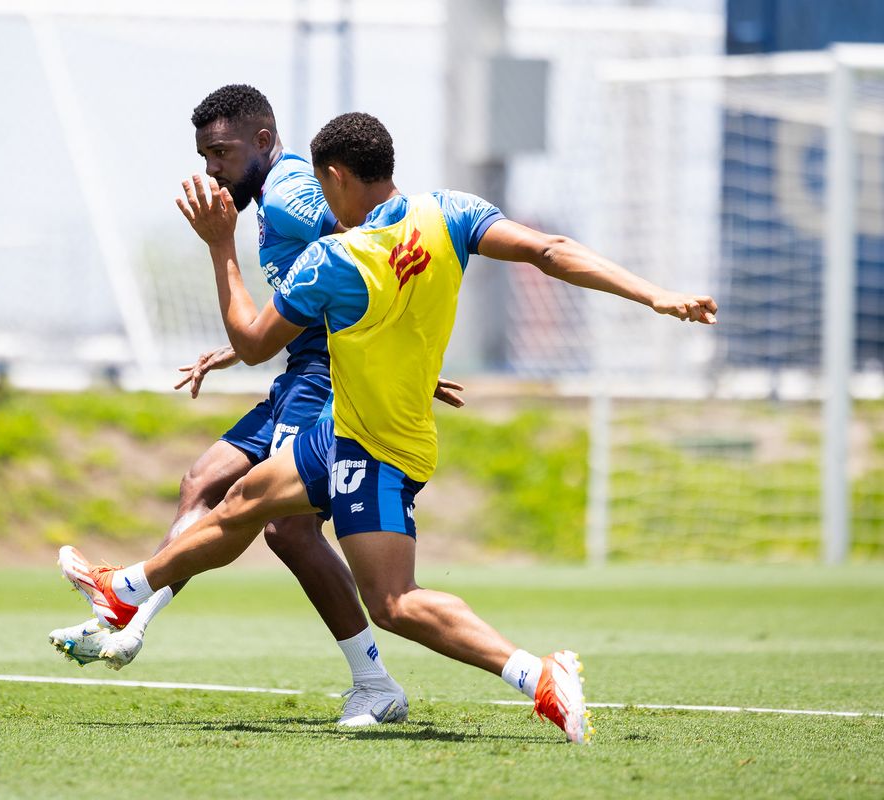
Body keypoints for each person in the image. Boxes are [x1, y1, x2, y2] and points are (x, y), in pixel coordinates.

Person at [59, 112, 717, 742]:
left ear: (338, 176)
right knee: (243, 500)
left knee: (395, 603)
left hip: (377, 449)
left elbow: (256, 343)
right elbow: (551, 249)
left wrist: (222, 246)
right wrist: (654, 294)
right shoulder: (451, 212)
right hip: (345, 428)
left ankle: (539, 676)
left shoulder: (336, 260)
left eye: (321, 185)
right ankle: (125, 593)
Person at [49, 86, 459, 727]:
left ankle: (372, 682)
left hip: (328, 377)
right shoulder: (274, 196)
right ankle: (129, 612)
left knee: (287, 527)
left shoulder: (294, 191)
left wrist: (402, 350)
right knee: (203, 479)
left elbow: (372, 246)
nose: (212, 168)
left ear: (263, 142)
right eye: (204, 154)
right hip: (300, 371)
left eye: (222, 152)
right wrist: (234, 350)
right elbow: (309, 296)